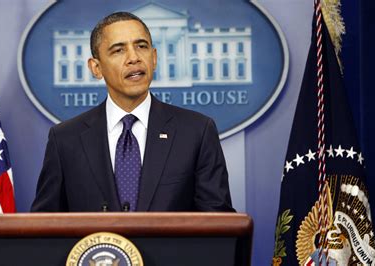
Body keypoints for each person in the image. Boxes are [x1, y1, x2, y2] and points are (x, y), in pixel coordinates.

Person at [31, 12, 234, 212]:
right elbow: (45, 228)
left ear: (154, 58)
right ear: (96, 68)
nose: (134, 58)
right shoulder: (65, 139)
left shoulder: (196, 132)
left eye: (141, 46)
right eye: (118, 50)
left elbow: (218, 226)